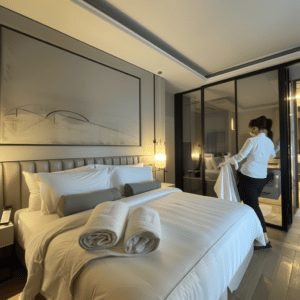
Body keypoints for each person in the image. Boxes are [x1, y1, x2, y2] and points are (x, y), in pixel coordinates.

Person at [218, 116, 278, 250]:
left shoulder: (251, 140)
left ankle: (265, 240)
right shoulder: (269, 142)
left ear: (254, 128)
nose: (250, 131)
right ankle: (234, 228)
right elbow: (272, 155)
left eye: (250, 128)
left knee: (253, 207)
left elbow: (239, 157)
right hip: (260, 179)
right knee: (236, 201)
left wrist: (224, 162)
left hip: (248, 177)